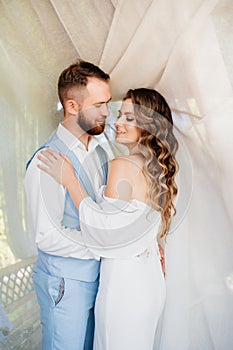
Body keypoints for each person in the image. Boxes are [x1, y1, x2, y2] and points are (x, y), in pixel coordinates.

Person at [37, 88, 179, 350]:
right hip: (150, 281)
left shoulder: (122, 164)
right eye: (120, 115)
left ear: (148, 126)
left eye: (129, 118)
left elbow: (104, 231)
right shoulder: (157, 169)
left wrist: (71, 182)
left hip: (124, 284)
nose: (118, 123)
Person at [24, 59, 111, 350]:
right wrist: (102, 245)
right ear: (72, 107)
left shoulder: (100, 152)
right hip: (64, 285)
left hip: (100, 282)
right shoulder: (46, 160)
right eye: (99, 104)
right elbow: (47, 236)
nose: (107, 112)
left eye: (107, 103)